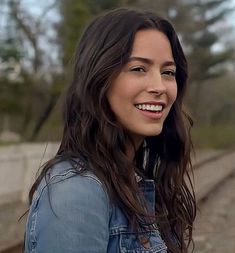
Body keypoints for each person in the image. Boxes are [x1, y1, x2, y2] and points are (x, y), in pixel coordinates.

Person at [24, 7, 196, 253]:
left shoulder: (133, 179)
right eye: (139, 68)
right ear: (99, 78)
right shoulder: (77, 191)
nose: (160, 86)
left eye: (168, 72)